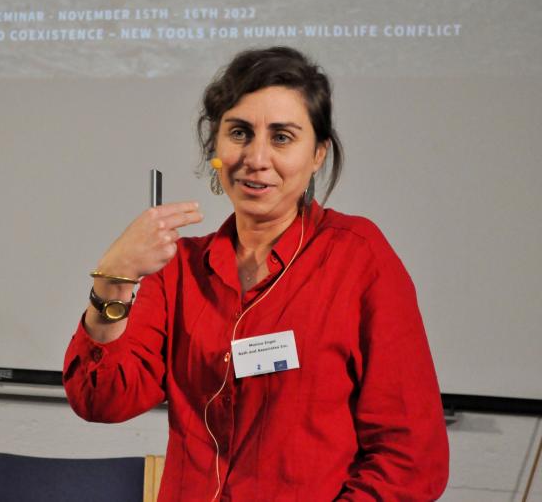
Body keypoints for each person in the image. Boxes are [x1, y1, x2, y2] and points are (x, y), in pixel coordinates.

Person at [63, 46, 449, 501]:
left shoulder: (359, 258)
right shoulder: (180, 269)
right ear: (216, 148)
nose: (257, 158)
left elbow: (410, 457)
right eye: (240, 133)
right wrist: (115, 277)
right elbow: (101, 399)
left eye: (282, 137)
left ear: (318, 154)